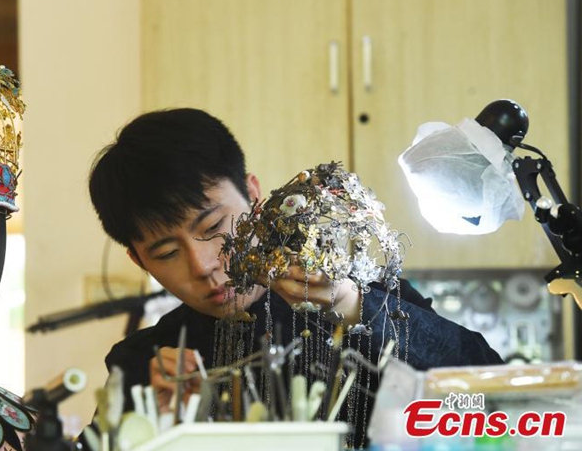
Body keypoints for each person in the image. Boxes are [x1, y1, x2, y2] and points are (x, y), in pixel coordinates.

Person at [87, 108, 502, 446]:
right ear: (139, 261)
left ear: (254, 196)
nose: (203, 264)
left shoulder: (365, 301)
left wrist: (354, 306)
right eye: (167, 252)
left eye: (213, 227)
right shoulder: (144, 367)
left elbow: (498, 401)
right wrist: (151, 435)